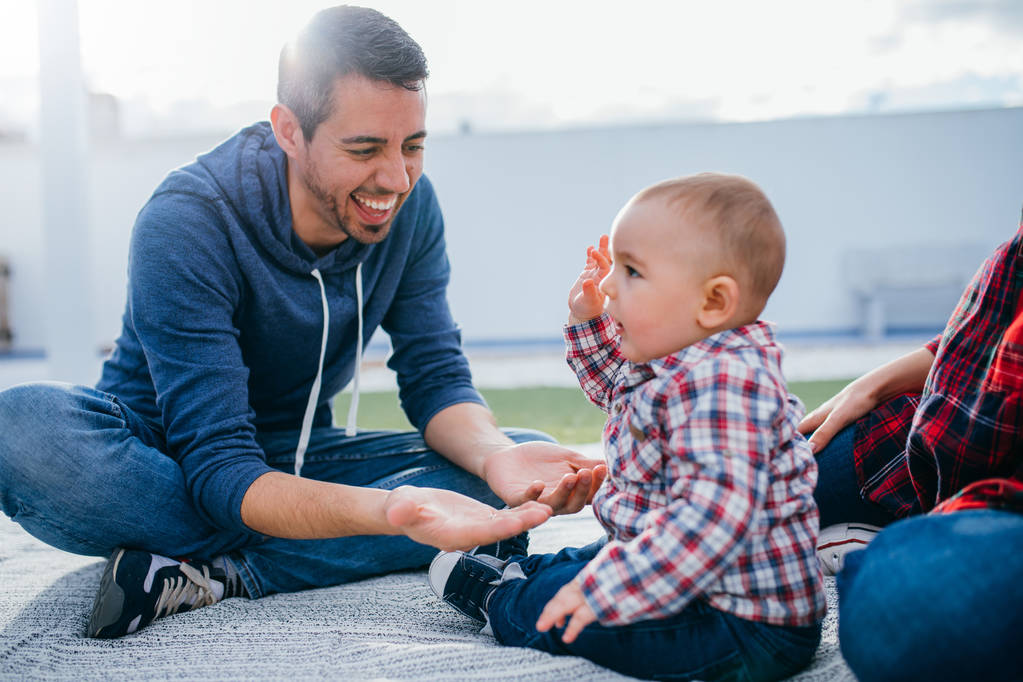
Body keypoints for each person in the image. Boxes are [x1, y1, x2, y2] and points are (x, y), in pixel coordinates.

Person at [0, 5, 606, 640]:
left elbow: (435, 376)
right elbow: (220, 468)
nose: (396, 179)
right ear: (289, 130)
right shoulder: (187, 221)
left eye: (414, 146)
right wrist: (391, 511)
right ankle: (279, 550)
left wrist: (495, 458)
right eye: (365, 149)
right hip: (164, 458)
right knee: (23, 434)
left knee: (516, 468)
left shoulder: (412, 209)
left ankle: (215, 573)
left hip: (303, 458)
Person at [428, 173, 826, 681]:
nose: (610, 284)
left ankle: (499, 598)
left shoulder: (727, 386)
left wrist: (601, 589)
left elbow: (708, 526)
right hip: (669, 563)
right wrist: (588, 318)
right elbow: (617, 388)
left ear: (712, 302)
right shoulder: (676, 362)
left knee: (564, 613)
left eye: (632, 271)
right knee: (588, 560)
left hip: (738, 624)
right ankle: (525, 569)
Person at [798, 214, 1023, 681]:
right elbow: (985, 327)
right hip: (925, 441)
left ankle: (895, 547)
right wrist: (873, 385)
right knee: (752, 482)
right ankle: (903, 538)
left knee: (896, 606)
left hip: (1005, 506)